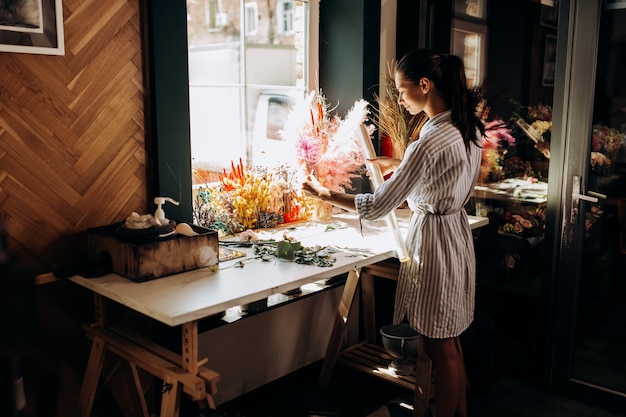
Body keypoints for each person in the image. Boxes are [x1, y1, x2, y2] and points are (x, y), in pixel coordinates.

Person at [304, 48, 484, 417]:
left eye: (402, 91)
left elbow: (379, 204)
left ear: (425, 85)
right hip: (455, 236)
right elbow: (446, 170)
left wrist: (324, 193)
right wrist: (401, 164)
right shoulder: (464, 128)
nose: (399, 100)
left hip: (436, 243)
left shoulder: (429, 140)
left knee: (437, 347)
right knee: (450, 340)